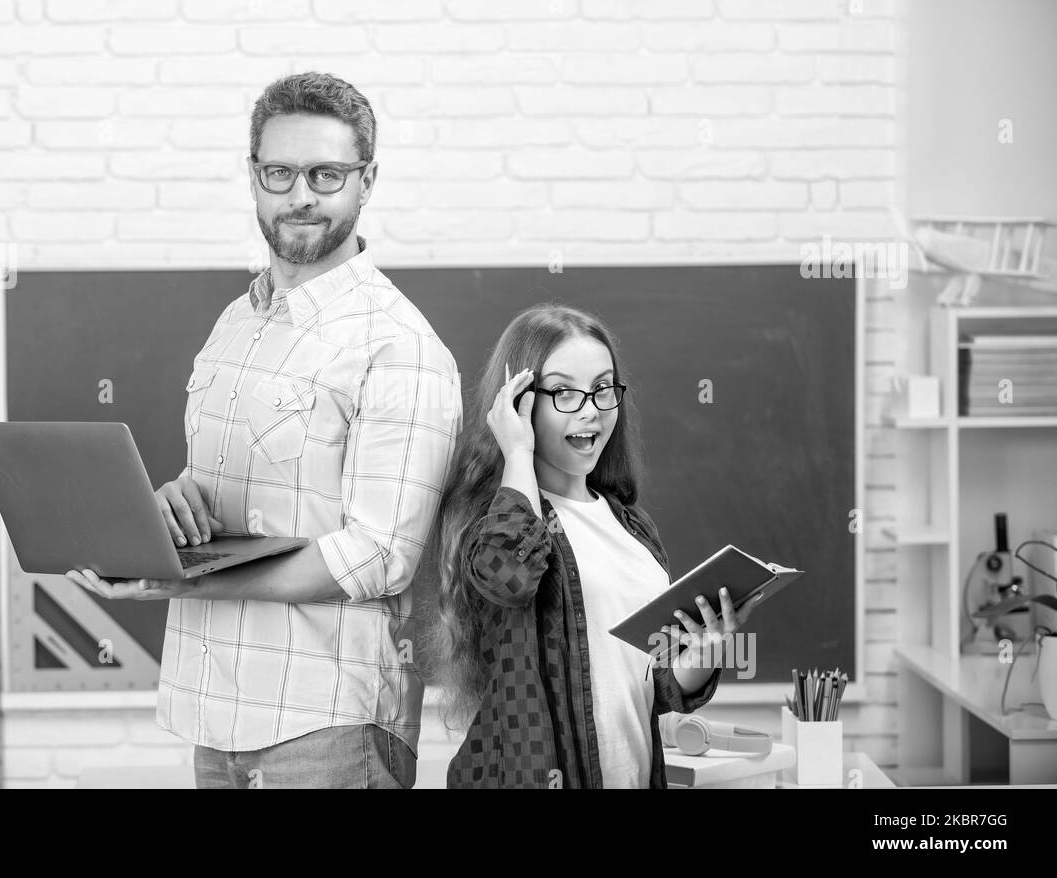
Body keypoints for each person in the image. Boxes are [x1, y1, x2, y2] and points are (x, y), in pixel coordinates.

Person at [67, 72, 461, 789]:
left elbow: (378, 557)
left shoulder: (399, 345)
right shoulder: (235, 323)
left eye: (326, 173)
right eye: (279, 172)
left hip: (329, 724)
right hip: (215, 711)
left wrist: (178, 583)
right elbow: (239, 497)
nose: (300, 194)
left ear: (366, 181)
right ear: (254, 177)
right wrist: (171, 515)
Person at [431, 303, 756, 788]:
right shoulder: (501, 522)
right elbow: (508, 577)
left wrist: (705, 652)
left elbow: (651, 687)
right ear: (520, 402)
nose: (590, 410)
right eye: (563, 392)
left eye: (603, 389)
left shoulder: (632, 526)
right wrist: (517, 451)